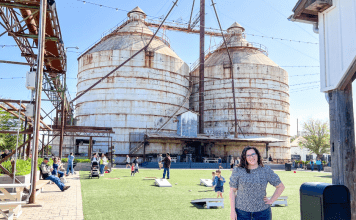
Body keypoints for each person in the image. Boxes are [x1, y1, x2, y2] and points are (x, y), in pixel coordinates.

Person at [229, 146, 285, 220]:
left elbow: (281, 186)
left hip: (263, 213)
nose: (251, 157)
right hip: (242, 213)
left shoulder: (265, 170)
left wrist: (271, 200)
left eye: (253, 154)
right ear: (244, 157)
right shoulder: (238, 170)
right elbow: (232, 190)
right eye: (248, 155)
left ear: (257, 155)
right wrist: (232, 211)